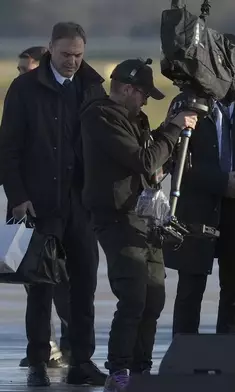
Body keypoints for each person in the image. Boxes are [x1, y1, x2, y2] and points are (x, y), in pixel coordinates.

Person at [80, 57, 198, 392]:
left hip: (144, 216)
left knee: (154, 297)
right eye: (144, 93)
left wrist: (168, 135)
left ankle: (142, 367)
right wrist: (173, 128)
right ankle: (119, 370)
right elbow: (144, 160)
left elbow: (152, 162)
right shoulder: (100, 117)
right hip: (115, 216)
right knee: (132, 295)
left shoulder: (137, 118)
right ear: (128, 89)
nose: (147, 100)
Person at [0, 22, 107, 387]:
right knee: (40, 288)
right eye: (65, 55)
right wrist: (18, 197)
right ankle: (37, 362)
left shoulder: (92, 87)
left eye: (78, 55)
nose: (72, 62)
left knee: (84, 285)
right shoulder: (25, 88)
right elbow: (8, 149)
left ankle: (83, 360)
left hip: (81, 204)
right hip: (38, 205)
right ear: (50, 49)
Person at [164, 34, 235, 337]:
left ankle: (228, 354)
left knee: (234, 291)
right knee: (190, 288)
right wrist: (220, 182)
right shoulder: (187, 102)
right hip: (197, 208)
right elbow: (175, 162)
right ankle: (184, 355)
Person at [11, 45, 72, 370]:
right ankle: (45, 346)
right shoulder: (22, 101)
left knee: (60, 284)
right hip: (30, 208)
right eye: (20, 70)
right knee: (37, 283)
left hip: (58, 209)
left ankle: (66, 345)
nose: (22, 76)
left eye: (28, 69)